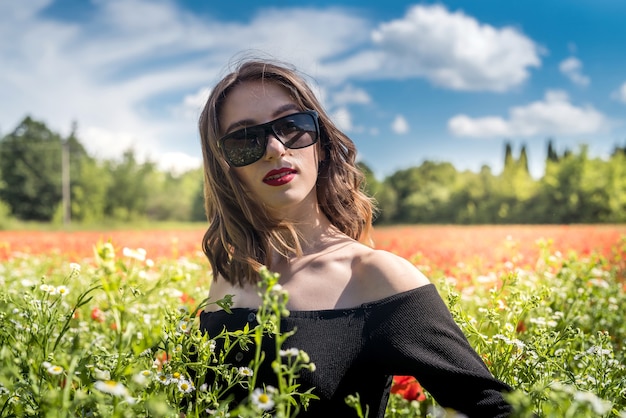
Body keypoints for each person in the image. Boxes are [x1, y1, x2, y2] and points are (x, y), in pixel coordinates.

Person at [197, 56, 513, 417]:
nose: (274, 148)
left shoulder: (374, 276)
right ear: (224, 167)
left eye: (291, 126)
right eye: (245, 139)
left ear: (321, 143)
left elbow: (496, 409)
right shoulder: (229, 277)